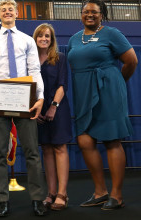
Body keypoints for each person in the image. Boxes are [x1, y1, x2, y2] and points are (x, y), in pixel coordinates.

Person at [67, 0, 138, 210]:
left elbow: (131, 61)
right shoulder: (73, 39)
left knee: (112, 141)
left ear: (102, 14)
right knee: (85, 141)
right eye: (86, 11)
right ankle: (100, 191)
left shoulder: (112, 33)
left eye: (94, 12)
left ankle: (116, 195)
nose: (89, 15)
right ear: (81, 14)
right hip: (83, 93)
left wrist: (115, 83)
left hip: (108, 90)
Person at [0, 0, 47, 216]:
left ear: (17, 13)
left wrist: (40, 97)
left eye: (11, 9)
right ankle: (2, 200)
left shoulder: (27, 40)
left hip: (24, 100)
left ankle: (37, 199)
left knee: (32, 153)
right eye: (3, 9)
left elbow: (35, 69)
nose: (7, 12)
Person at [33, 23, 72, 211]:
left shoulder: (60, 58)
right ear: (35, 38)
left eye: (47, 36)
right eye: (41, 36)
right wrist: (36, 110)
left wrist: (53, 107)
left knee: (59, 148)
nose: (44, 39)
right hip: (38, 111)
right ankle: (51, 193)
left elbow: (62, 85)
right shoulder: (30, 60)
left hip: (58, 109)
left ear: (52, 39)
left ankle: (63, 194)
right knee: (46, 149)